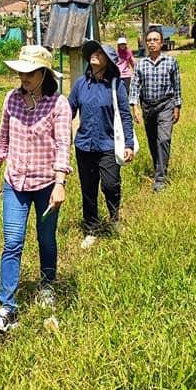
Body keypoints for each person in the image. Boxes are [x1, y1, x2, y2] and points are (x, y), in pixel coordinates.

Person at [0, 45, 72, 336]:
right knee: (12, 242)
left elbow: (63, 145)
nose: (22, 77)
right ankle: (7, 307)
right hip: (15, 183)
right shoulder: (11, 99)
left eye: (29, 72)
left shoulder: (59, 104)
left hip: (47, 185)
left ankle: (47, 285)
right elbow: (3, 136)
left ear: (43, 74)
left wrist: (60, 183)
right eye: (20, 72)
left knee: (46, 238)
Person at [68, 40, 134, 249]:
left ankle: (114, 218)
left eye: (100, 53)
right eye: (93, 52)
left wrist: (129, 143)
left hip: (108, 145)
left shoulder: (116, 86)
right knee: (88, 189)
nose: (95, 55)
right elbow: (68, 111)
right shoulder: (80, 84)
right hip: (84, 145)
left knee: (110, 184)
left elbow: (125, 115)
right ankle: (91, 228)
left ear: (109, 61)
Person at [129, 28, 182, 192]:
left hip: (166, 105)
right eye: (149, 40)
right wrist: (135, 106)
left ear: (161, 42)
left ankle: (160, 178)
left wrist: (177, 106)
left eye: (155, 40)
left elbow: (177, 85)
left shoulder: (171, 62)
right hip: (148, 107)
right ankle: (158, 166)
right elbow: (135, 86)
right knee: (153, 141)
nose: (152, 43)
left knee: (164, 139)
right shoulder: (141, 64)